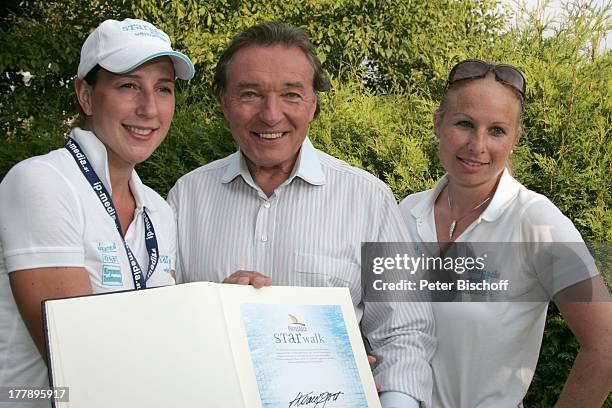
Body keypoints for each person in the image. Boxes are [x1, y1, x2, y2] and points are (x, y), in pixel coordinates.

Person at [168, 22, 435, 407]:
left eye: (291, 95)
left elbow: (404, 333)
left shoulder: (370, 199)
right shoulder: (185, 198)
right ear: (224, 103)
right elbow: (166, 330)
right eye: (249, 94)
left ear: (313, 104)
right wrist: (211, 311)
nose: (271, 115)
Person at [0, 18, 194, 407]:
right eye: (128, 86)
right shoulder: (42, 182)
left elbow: (164, 330)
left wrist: (223, 307)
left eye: (163, 89)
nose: (149, 108)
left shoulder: (158, 209)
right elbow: (79, 359)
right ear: (86, 95)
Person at [399, 59, 612, 407]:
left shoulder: (538, 222)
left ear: (515, 136)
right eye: (465, 124)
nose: (477, 145)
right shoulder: (405, 212)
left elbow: (606, 345)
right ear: (438, 122)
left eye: (496, 130)